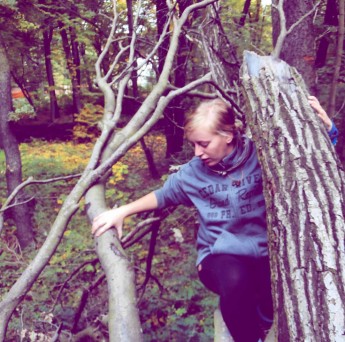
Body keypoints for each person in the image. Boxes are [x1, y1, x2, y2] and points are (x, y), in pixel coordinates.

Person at [92, 96, 337, 342]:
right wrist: (121, 211)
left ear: (228, 136)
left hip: (265, 254)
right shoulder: (193, 173)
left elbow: (312, 165)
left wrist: (328, 129)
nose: (197, 152)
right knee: (235, 279)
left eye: (204, 144)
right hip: (218, 256)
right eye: (194, 145)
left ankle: (265, 322)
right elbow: (163, 195)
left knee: (270, 289)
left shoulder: (260, 155)